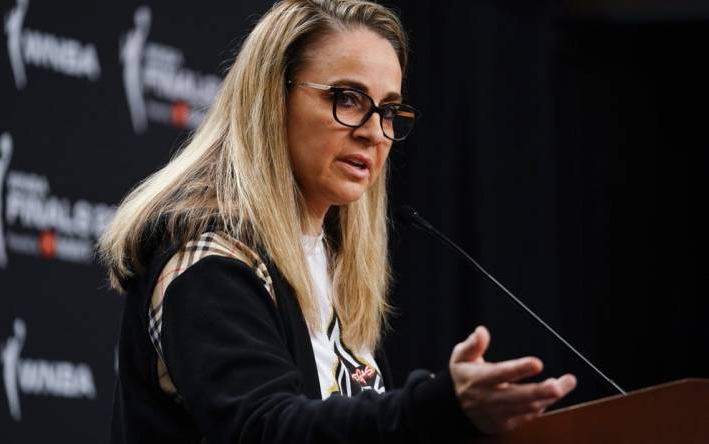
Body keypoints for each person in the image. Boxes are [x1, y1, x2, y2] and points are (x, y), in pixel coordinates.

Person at [99, 1, 577, 442]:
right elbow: (266, 429)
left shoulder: (330, 262)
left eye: (389, 110)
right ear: (273, 99)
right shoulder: (207, 265)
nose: (374, 132)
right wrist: (435, 407)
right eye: (348, 99)